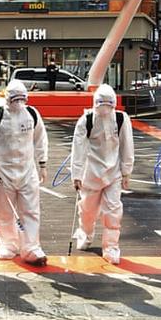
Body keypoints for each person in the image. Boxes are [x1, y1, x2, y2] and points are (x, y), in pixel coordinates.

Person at [0, 80, 49, 265]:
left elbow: (41, 139)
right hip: (4, 171)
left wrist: (43, 163)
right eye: (15, 99)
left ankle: (31, 248)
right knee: (3, 211)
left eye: (22, 99)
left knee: (31, 211)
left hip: (28, 170)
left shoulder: (32, 114)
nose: (18, 103)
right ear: (7, 99)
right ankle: (8, 244)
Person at [69, 84, 134, 265]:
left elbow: (127, 145)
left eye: (109, 105)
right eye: (101, 105)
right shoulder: (86, 120)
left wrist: (126, 171)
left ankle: (111, 246)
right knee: (87, 210)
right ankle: (85, 232)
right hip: (91, 173)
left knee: (113, 210)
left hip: (113, 173)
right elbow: (78, 148)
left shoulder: (121, 119)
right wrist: (77, 174)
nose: (105, 110)